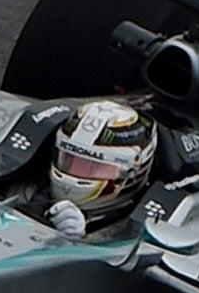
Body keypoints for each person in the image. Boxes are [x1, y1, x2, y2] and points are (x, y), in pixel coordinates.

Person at [43, 99, 157, 238]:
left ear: (131, 172)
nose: (78, 171)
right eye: (70, 160)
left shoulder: (142, 223)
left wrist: (78, 243)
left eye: (95, 167)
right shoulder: (30, 192)